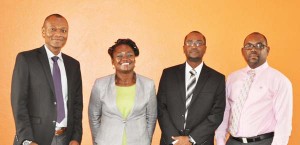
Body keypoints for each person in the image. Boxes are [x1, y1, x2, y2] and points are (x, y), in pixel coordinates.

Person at [11, 14, 83, 145]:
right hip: (35, 138)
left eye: (63, 30)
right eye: (53, 29)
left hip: (65, 139)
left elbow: (77, 105)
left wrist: (76, 138)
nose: (58, 34)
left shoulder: (73, 65)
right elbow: (18, 103)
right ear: (43, 31)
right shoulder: (26, 59)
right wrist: (27, 140)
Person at [215, 32, 293, 145]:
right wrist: (221, 141)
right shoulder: (232, 78)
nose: (253, 49)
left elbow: (283, 123)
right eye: (249, 46)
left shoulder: (279, 81)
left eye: (259, 46)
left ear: (268, 50)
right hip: (232, 142)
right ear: (243, 51)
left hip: (262, 142)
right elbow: (225, 111)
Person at [157, 31, 226, 145]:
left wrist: (191, 139)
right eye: (190, 43)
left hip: (201, 141)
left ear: (205, 48)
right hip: (171, 141)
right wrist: (176, 139)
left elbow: (217, 113)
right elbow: (161, 108)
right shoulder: (168, 74)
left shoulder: (217, 79)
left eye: (199, 43)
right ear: (184, 48)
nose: (194, 46)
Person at [88, 39, 157, 145]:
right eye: (119, 55)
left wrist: (146, 140)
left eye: (129, 55)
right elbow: (94, 116)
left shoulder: (148, 84)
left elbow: (151, 117)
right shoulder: (100, 84)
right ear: (112, 61)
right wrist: (98, 141)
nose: (125, 58)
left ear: (134, 59)